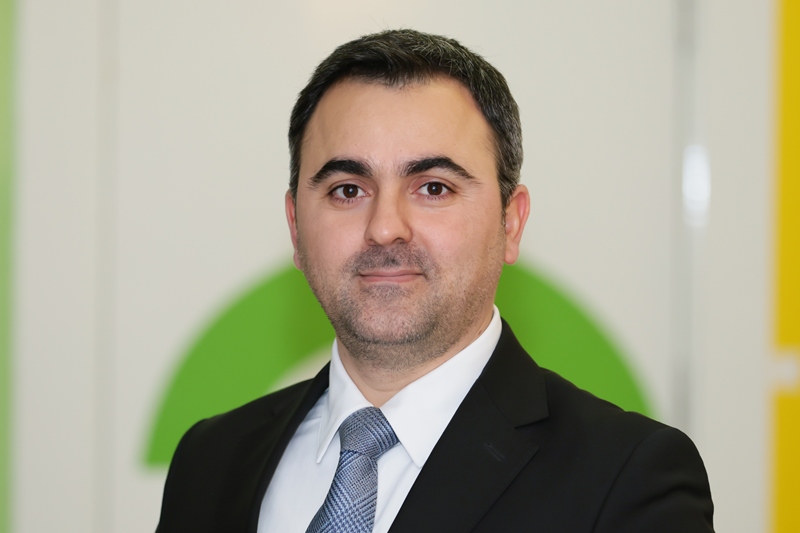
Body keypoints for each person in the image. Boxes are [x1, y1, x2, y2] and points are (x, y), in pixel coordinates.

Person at [156, 29, 714, 533]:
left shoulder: (626, 478)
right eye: (348, 189)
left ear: (511, 222)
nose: (385, 228)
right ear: (296, 228)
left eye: (433, 188)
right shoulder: (211, 461)